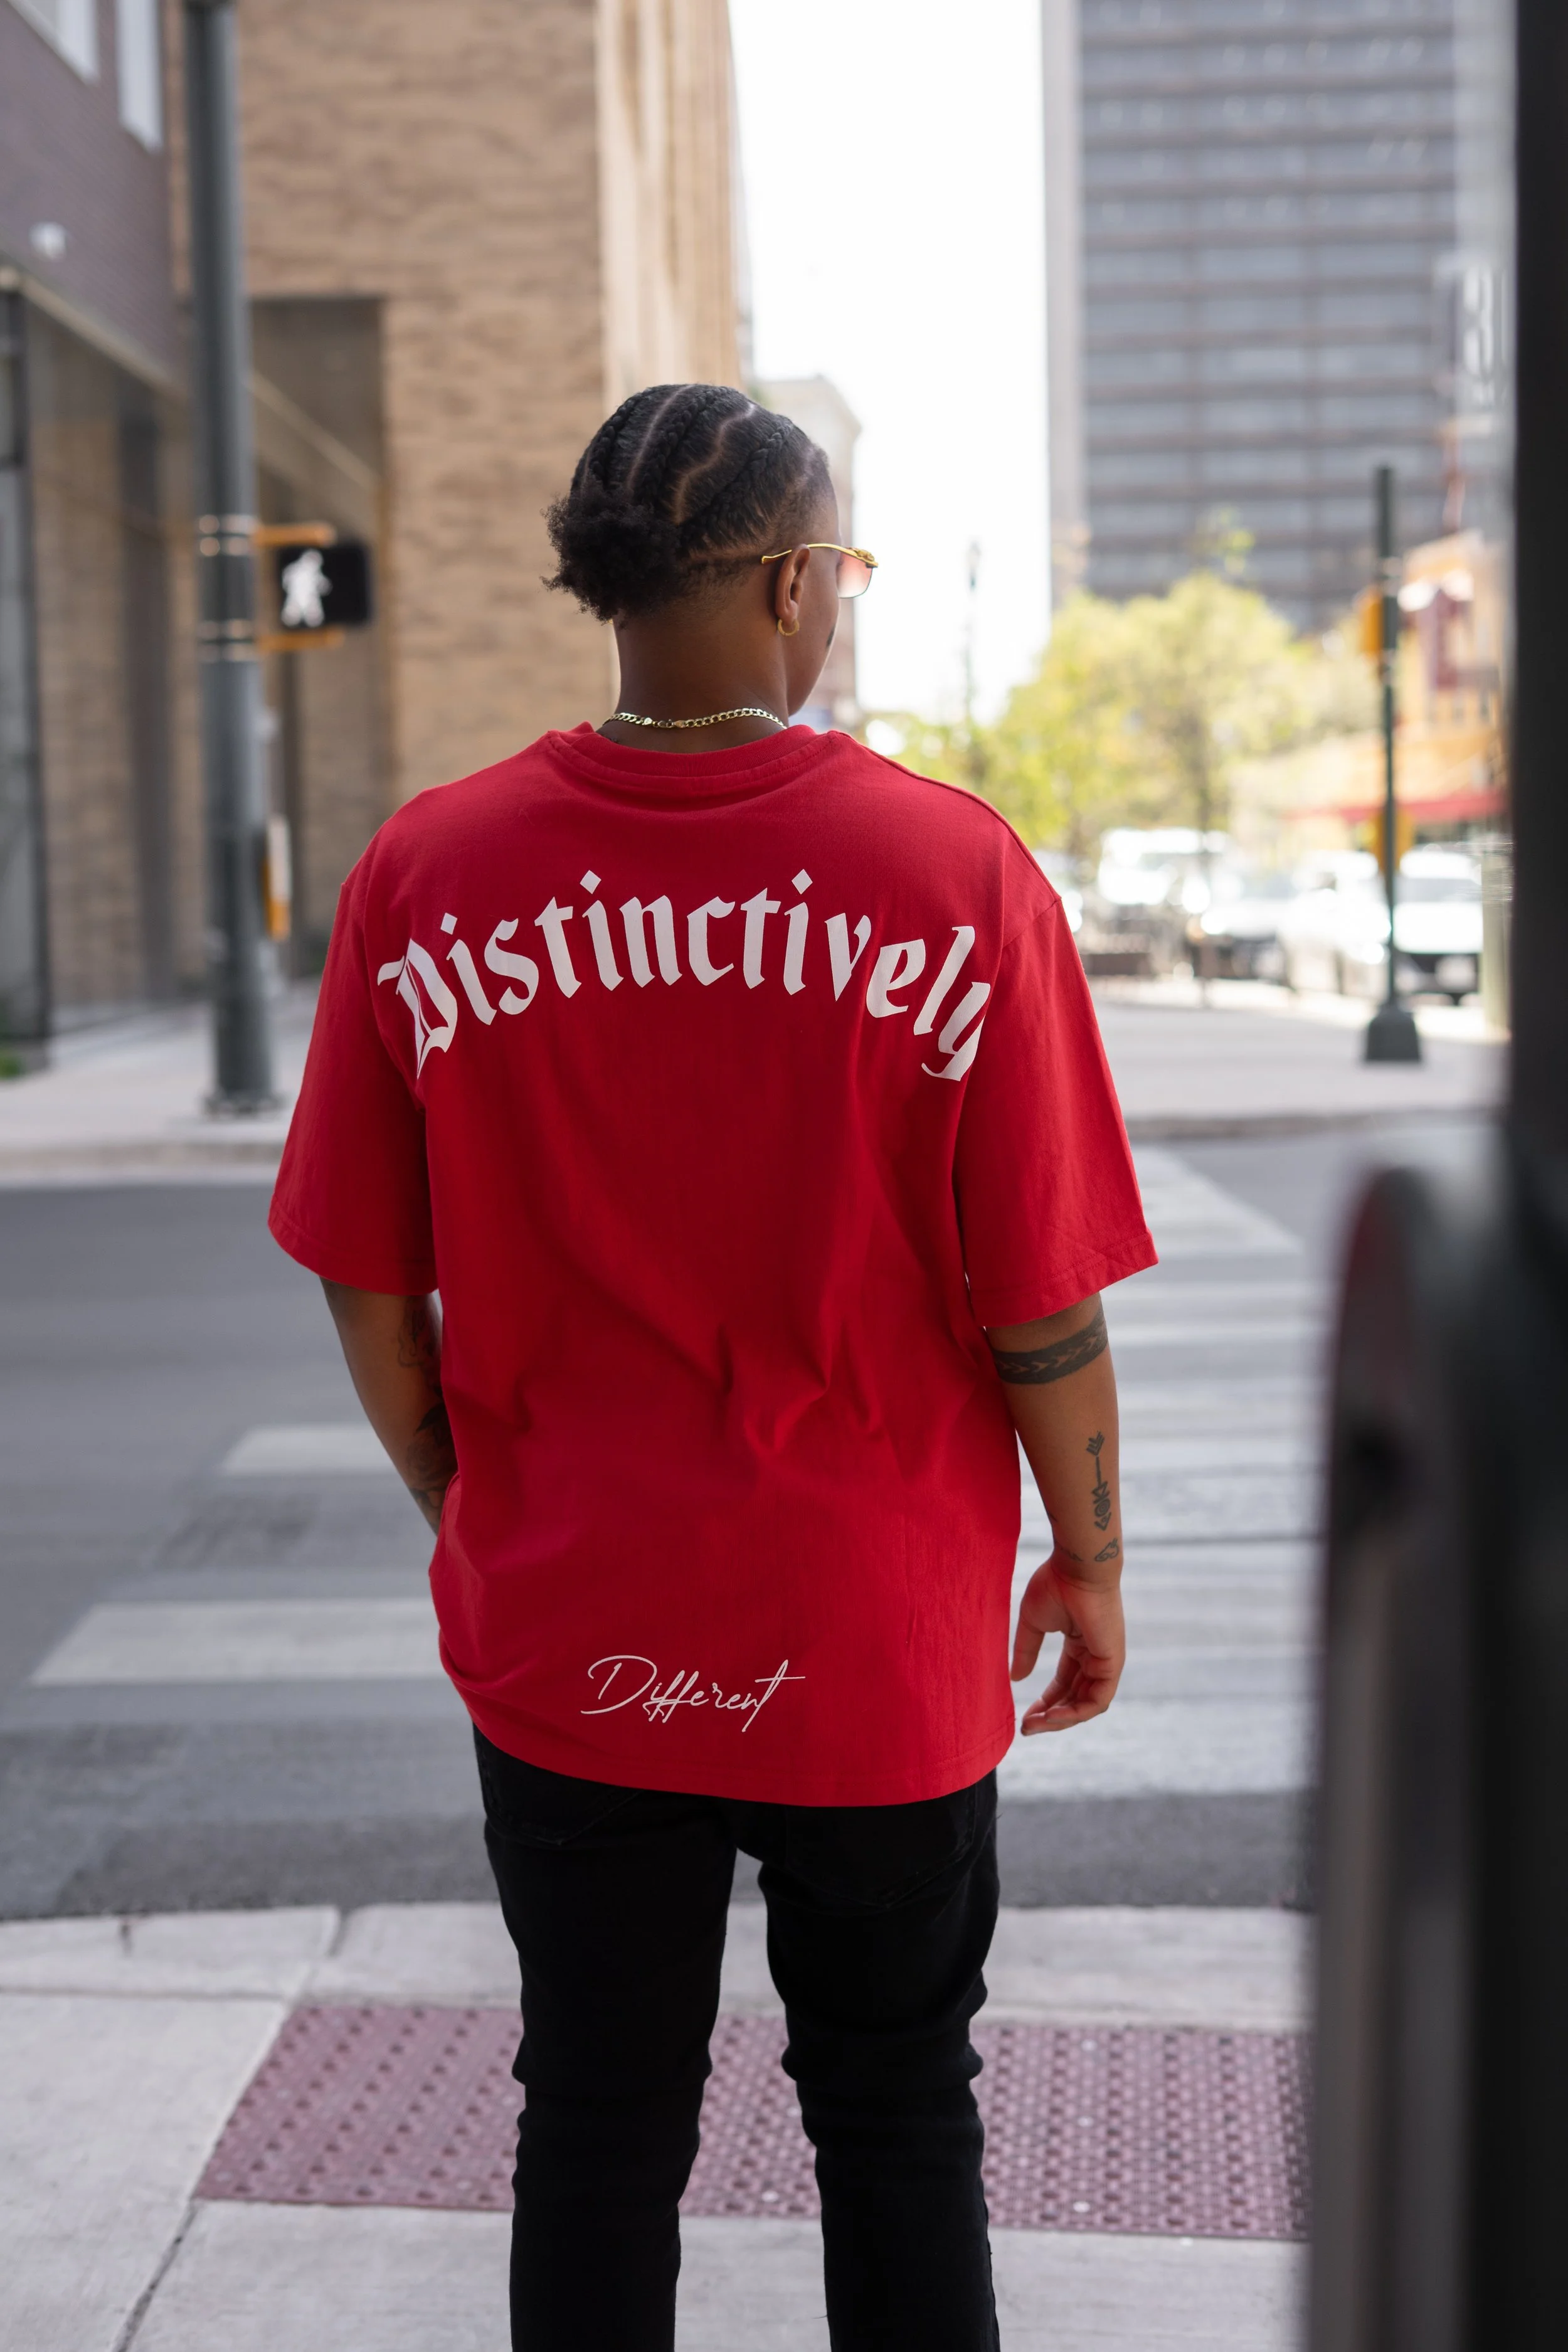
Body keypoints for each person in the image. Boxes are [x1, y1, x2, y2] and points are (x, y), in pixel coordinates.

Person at [268, 382, 1156, 2352]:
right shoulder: (953, 875)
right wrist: (1088, 1558)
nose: (834, 598)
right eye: (836, 564)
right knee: (899, 2115)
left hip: (574, 1622)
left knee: (592, 2120)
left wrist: (465, 1496)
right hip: (870, 1636)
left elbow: (361, 1271)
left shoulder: (430, 872)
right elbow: (1043, 1309)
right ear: (781, 582)